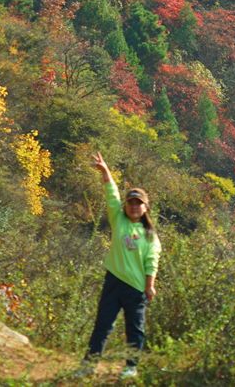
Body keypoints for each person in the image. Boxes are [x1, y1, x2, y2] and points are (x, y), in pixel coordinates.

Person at [76, 152, 161, 380]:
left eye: (138, 203)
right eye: (131, 203)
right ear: (126, 206)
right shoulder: (119, 220)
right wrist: (105, 171)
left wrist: (149, 286)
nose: (134, 207)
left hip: (136, 289)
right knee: (102, 325)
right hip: (113, 281)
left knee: (135, 329)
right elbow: (111, 195)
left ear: (145, 208)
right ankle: (89, 365)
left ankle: (131, 367)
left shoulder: (150, 236)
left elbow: (151, 262)